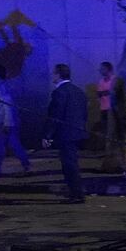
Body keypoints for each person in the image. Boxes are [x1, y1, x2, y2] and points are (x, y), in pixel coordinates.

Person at [42, 64, 88, 204]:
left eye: (54, 73)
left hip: (65, 134)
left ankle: (76, 194)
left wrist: (48, 135)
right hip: (77, 132)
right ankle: (76, 192)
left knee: (69, 165)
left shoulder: (59, 92)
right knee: (72, 162)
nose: (52, 76)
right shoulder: (78, 91)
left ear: (58, 74)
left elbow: (55, 115)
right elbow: (84, 113)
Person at [0, 63, 30, 177]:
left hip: (3, 122)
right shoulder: (1, 85)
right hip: (6, 121)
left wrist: (7, 123)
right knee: (13, 143)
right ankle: (25, 163)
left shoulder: (0, 86)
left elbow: (6, 105)